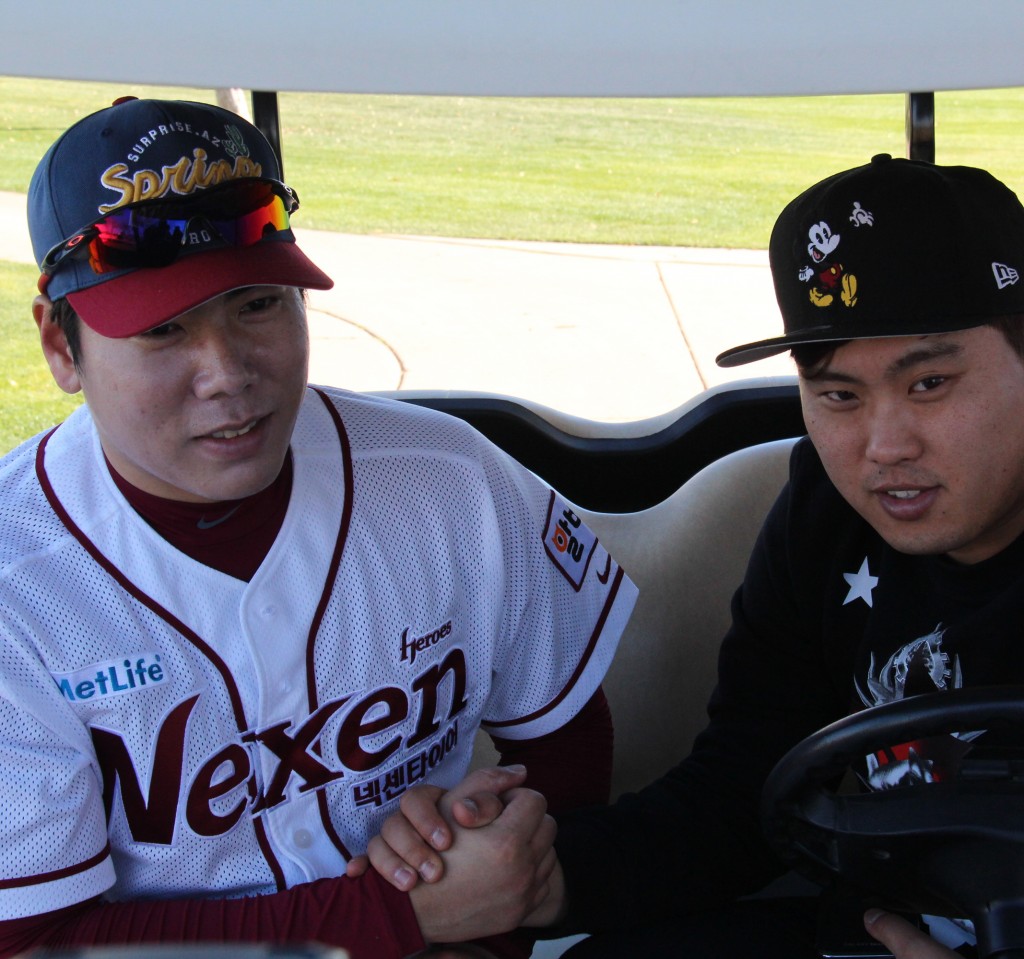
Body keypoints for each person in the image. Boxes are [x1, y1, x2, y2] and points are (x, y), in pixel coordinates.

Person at [0, 97, 639, 959]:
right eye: (162, 330)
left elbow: (564, 740)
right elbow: (36, 941)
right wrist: (400, 920)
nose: (226, 374)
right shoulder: (18, 582)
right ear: (60, 346)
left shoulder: (449, 479)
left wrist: (494, 892)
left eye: (258, 304)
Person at [357, 153, 1024, 959]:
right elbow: (741, 798)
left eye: (929, 385)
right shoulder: (825, 514)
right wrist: (529, 875)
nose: (883, 447)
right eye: (838, 394)